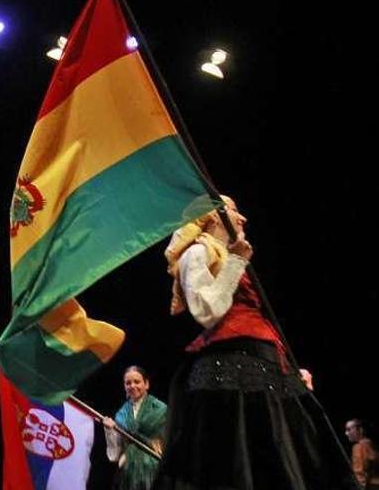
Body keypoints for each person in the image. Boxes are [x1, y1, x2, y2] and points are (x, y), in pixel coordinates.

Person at [152, 195, 358, 489]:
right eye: (234, 210)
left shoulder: (229, 254)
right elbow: (206, 311)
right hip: (231, 375)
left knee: (289, 456)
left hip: (264, 368)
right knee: (242, 461)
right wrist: (236, 260)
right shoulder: (196, 251)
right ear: (211, 217)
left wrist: (288, 372)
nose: (243, 218)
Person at [103, 366, 167, 490]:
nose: (132, 386)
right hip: (126, 475)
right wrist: (109, 431)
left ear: (146, 384)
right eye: (128, 383)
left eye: (137, 382)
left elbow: (169, 442)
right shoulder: (121, 414)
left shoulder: (161, 410)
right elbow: (114, 454)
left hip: (153, 474)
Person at [346, 419, 379, 489]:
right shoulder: (369, 443)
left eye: (349, 430)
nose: (346, 433)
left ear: (360, 429)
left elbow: (360, 475)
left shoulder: (358, 447)